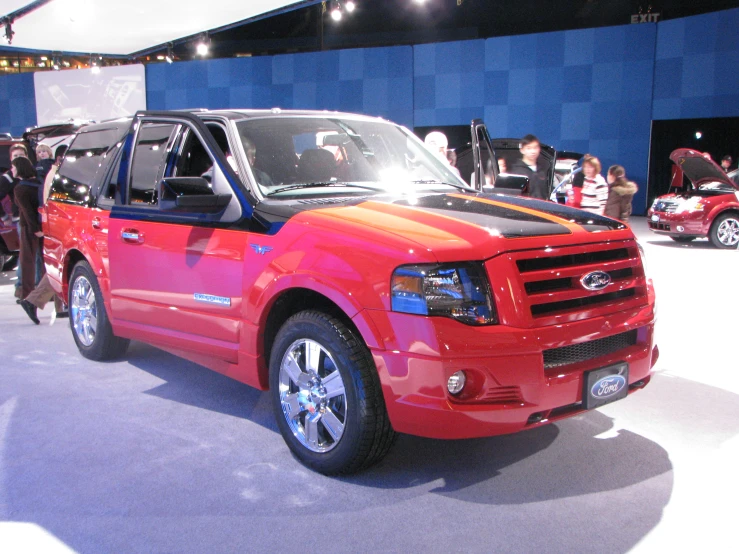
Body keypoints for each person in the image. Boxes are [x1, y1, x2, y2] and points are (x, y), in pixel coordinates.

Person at [11, 157, 43, 324]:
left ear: (20, 168)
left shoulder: (20, 189)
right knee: (43, 264)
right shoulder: (38, 182)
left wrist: (35, 230)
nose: (12, 170)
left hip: (29, 229)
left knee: (27, 264)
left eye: (14, 167)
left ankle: (27, 298)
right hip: (43, 227)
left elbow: (27, 212)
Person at [509, 135, 550, 199]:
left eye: (535, 148)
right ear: (522, 150)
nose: (533, 151)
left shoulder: (543, 170)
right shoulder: (516, 171)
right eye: (529, 148)